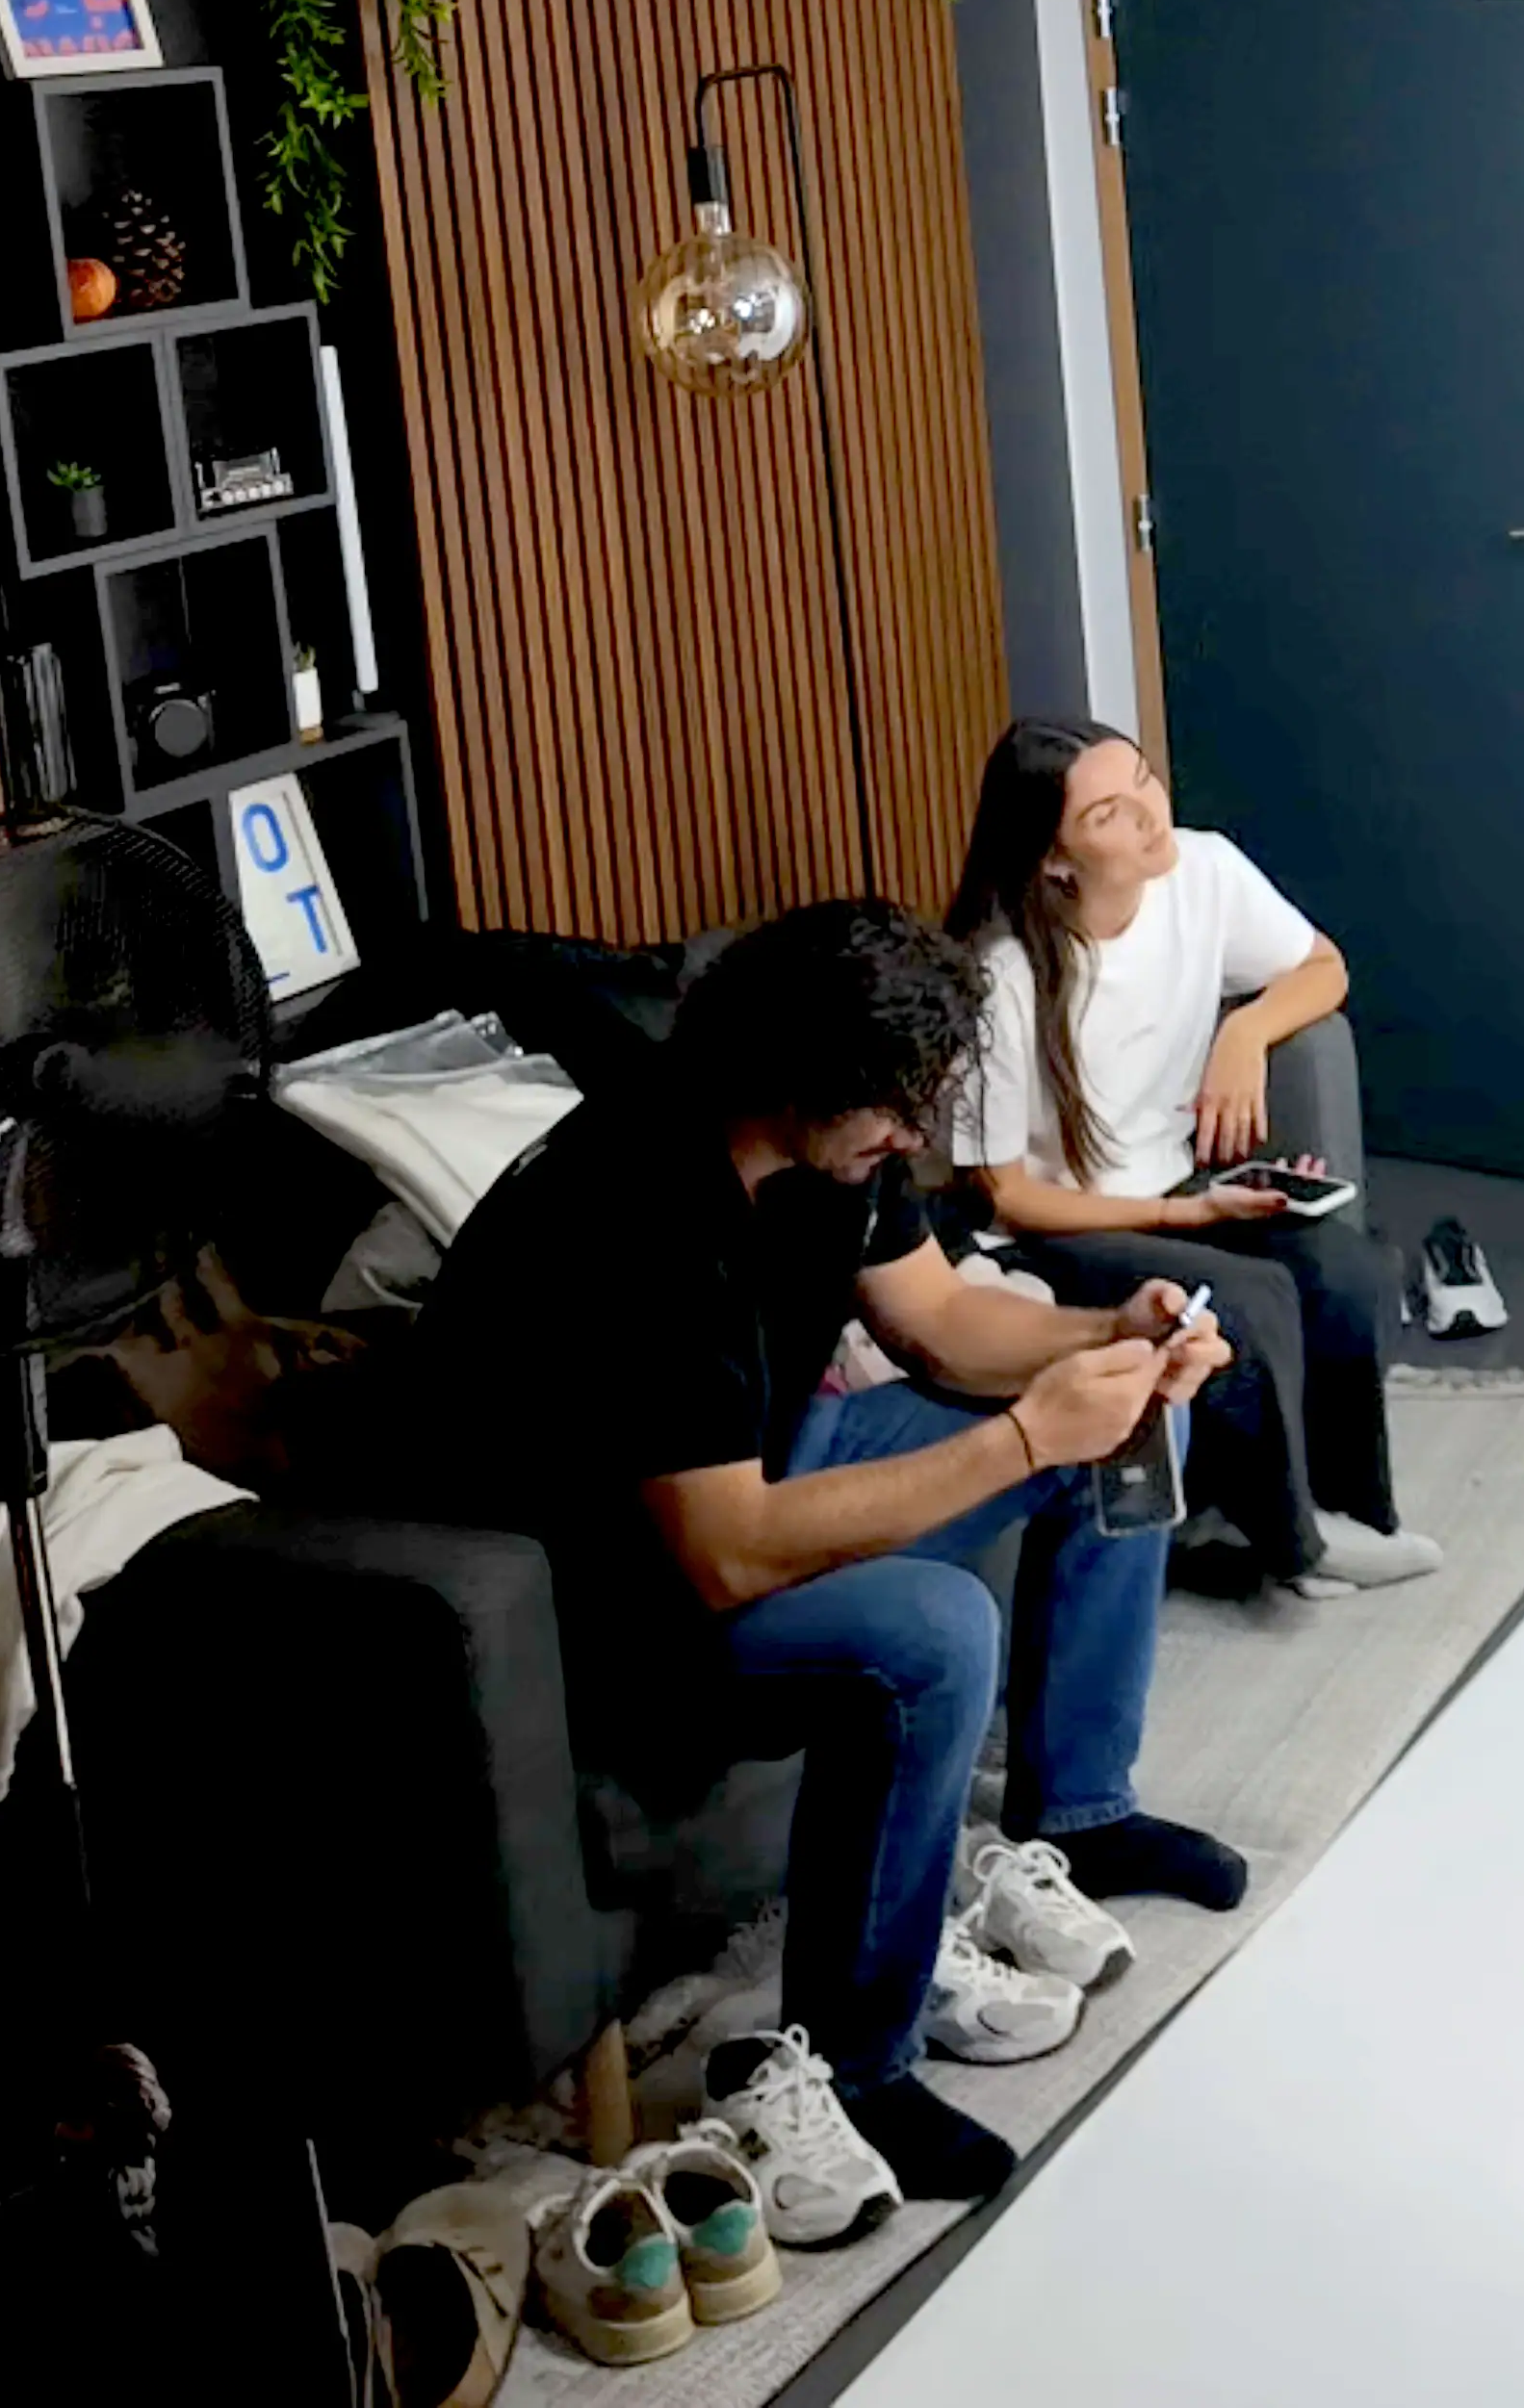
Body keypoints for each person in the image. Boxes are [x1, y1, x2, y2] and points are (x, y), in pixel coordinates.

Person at [413, 900, 1255, 2225]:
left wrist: (1109, 1333)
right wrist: (1034, 1434)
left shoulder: (836, 1150)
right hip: (610, 1607)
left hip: (746, 1475)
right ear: (790, 1073)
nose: (912, 1137)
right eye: (890, 1109)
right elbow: (726, 1557)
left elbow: (941, 1327)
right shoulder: (636, 1212)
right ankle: (856, 2064)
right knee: (932, 1635)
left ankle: (1081, 1810)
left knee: (1139, 1407)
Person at [927, 718, 1441, 1597]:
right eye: (1108, 815)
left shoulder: (1201, 869)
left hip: (1176, 1186)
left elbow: (1323, 967)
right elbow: (1005, 1196)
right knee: (1249, 1296)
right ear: (1056, 859)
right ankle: (1295, 1545)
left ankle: (1354, 1507)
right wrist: (1180, 1215)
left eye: (1146, 783)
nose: (1149, 817)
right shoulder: (1004, 979)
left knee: (1343, 1266)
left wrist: (1245, 1031)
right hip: (1061, 1229)